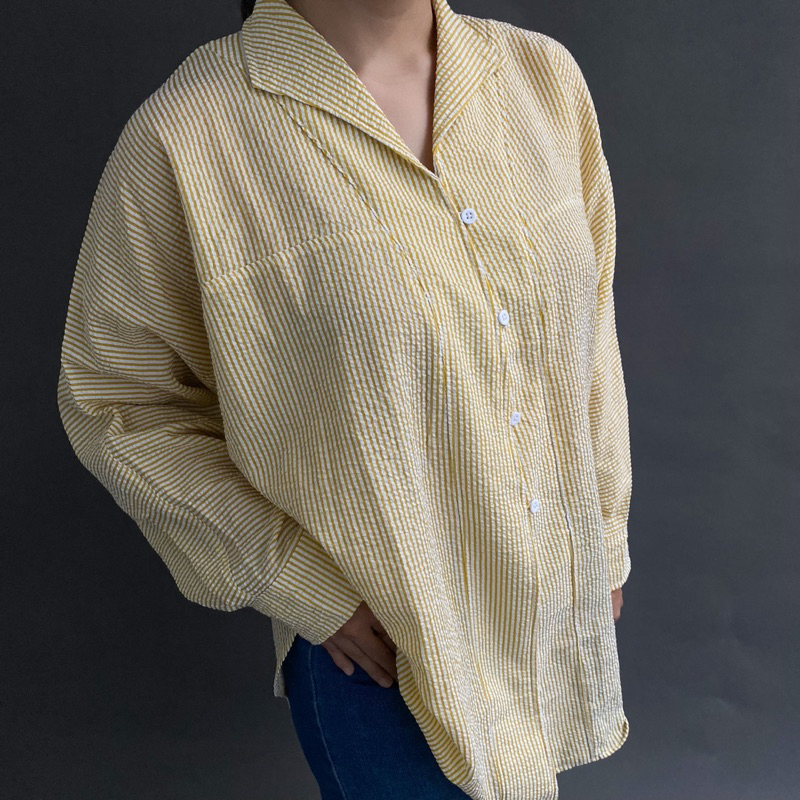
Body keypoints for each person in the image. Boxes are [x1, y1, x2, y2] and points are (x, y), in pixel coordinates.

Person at [57, 0, 633, 798]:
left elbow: (590, 325)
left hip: (543, 632)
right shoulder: (191, 133)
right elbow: (117, 401)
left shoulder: (542, 80)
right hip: (386, 655)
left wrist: (601, 529)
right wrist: (294, 577)